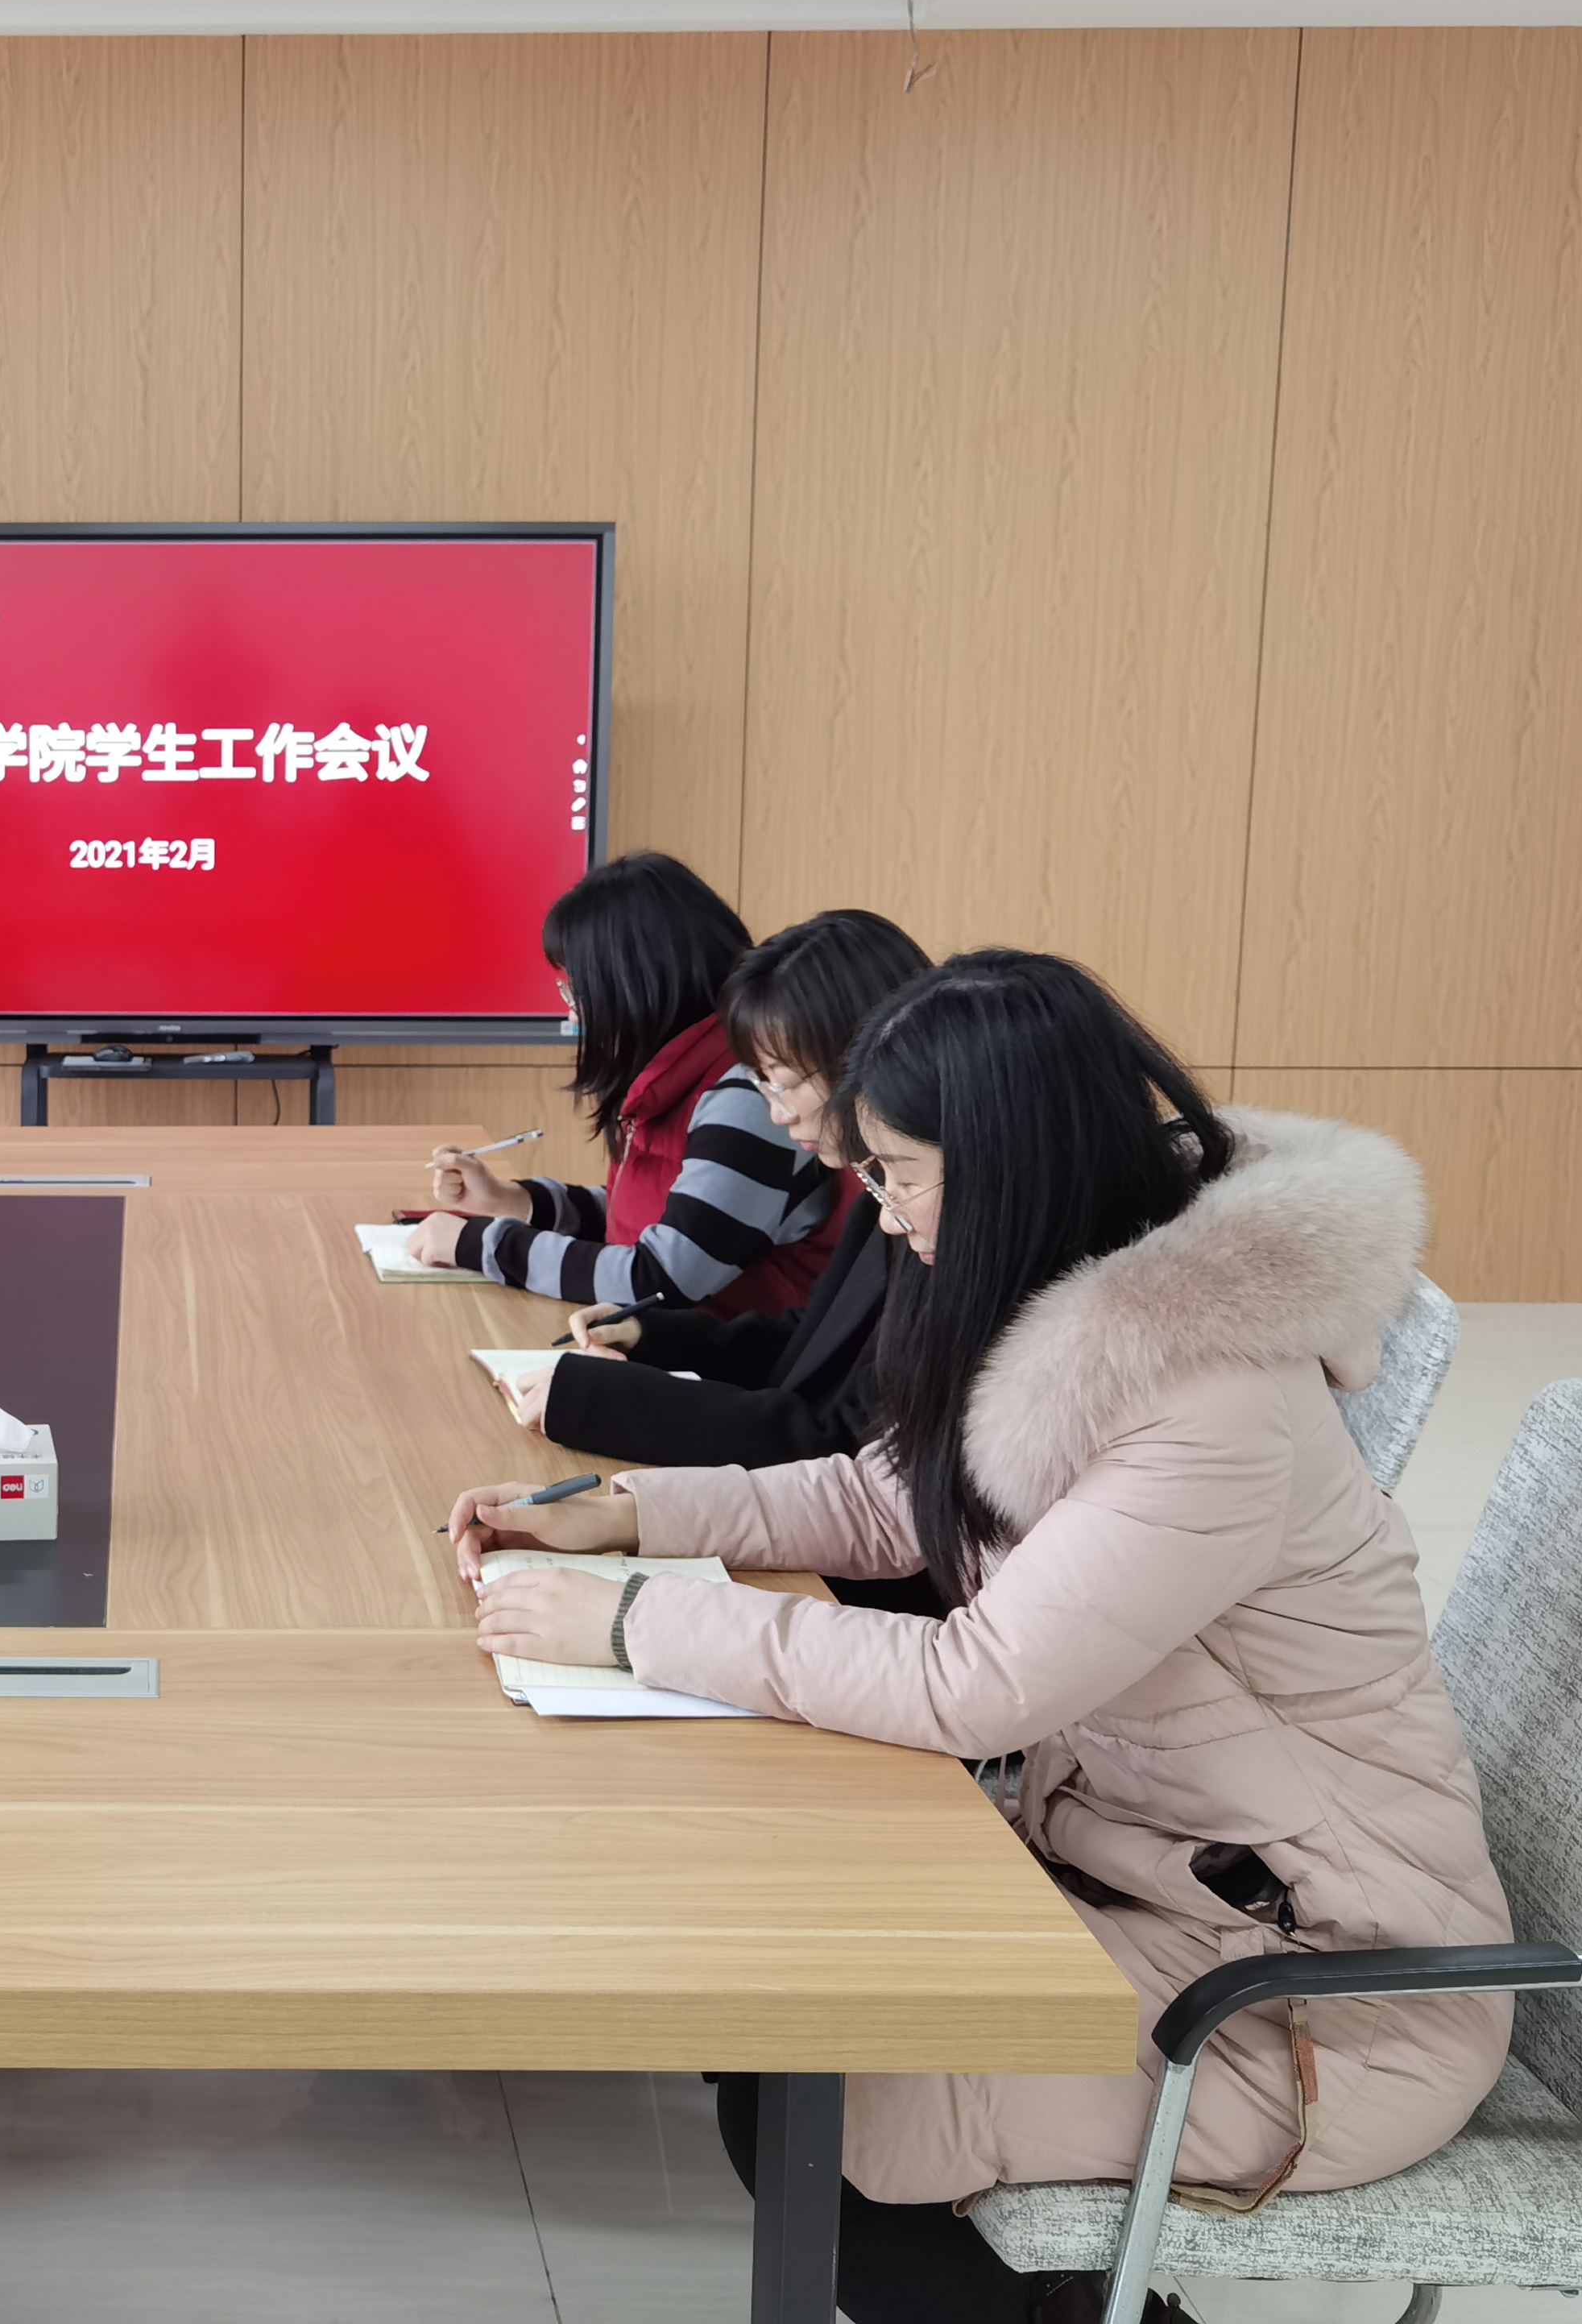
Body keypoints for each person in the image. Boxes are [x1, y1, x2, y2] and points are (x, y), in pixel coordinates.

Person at [446, 952, 1512, 2324]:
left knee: (815, 2112)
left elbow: (978, 1682)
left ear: (1008, 1169)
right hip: (1155, 1886)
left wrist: (637, 1620)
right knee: (786, 2033)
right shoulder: (1080, 1317)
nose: (880, 1212)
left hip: (1316, 1996)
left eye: (896, 1174)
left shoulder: (1215, 1403)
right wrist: (627, 1514)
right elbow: (882, 1500)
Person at [512, 909, 927, 1473]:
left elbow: (841, 1438)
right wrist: (651, 1336)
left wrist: (606, 1401)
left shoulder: (928, 1213)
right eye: (763, 1085)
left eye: (784, 1084)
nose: (777, 1114)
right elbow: (812, 1343)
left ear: (863, 1059)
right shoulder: (876, 1192)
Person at [407, 852, 847, 1317]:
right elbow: (644, 1218)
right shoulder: (683, 1072)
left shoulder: (750, 1094)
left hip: (731, 1356)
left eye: (577, 989)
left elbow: (661, 1279)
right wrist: (512, 1201)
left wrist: (484, 1245)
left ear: (635, 984)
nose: (572, 1011)